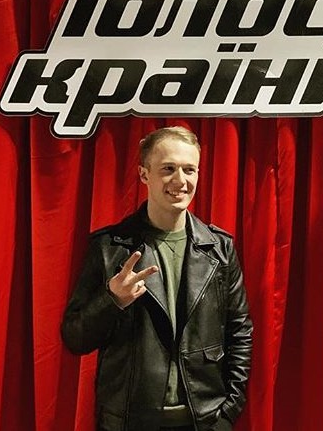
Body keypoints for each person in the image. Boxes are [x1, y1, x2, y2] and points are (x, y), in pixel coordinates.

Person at [62, 126, 252, 431]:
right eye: (168, 169)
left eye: (189, 169)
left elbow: (240, 332)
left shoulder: (219, 248)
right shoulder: (108, 248)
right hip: (128, 422)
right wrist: (112, 300)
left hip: (205, 421)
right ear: (144, 174)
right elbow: (75, 338)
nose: (180, 180)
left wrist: (228, 412)